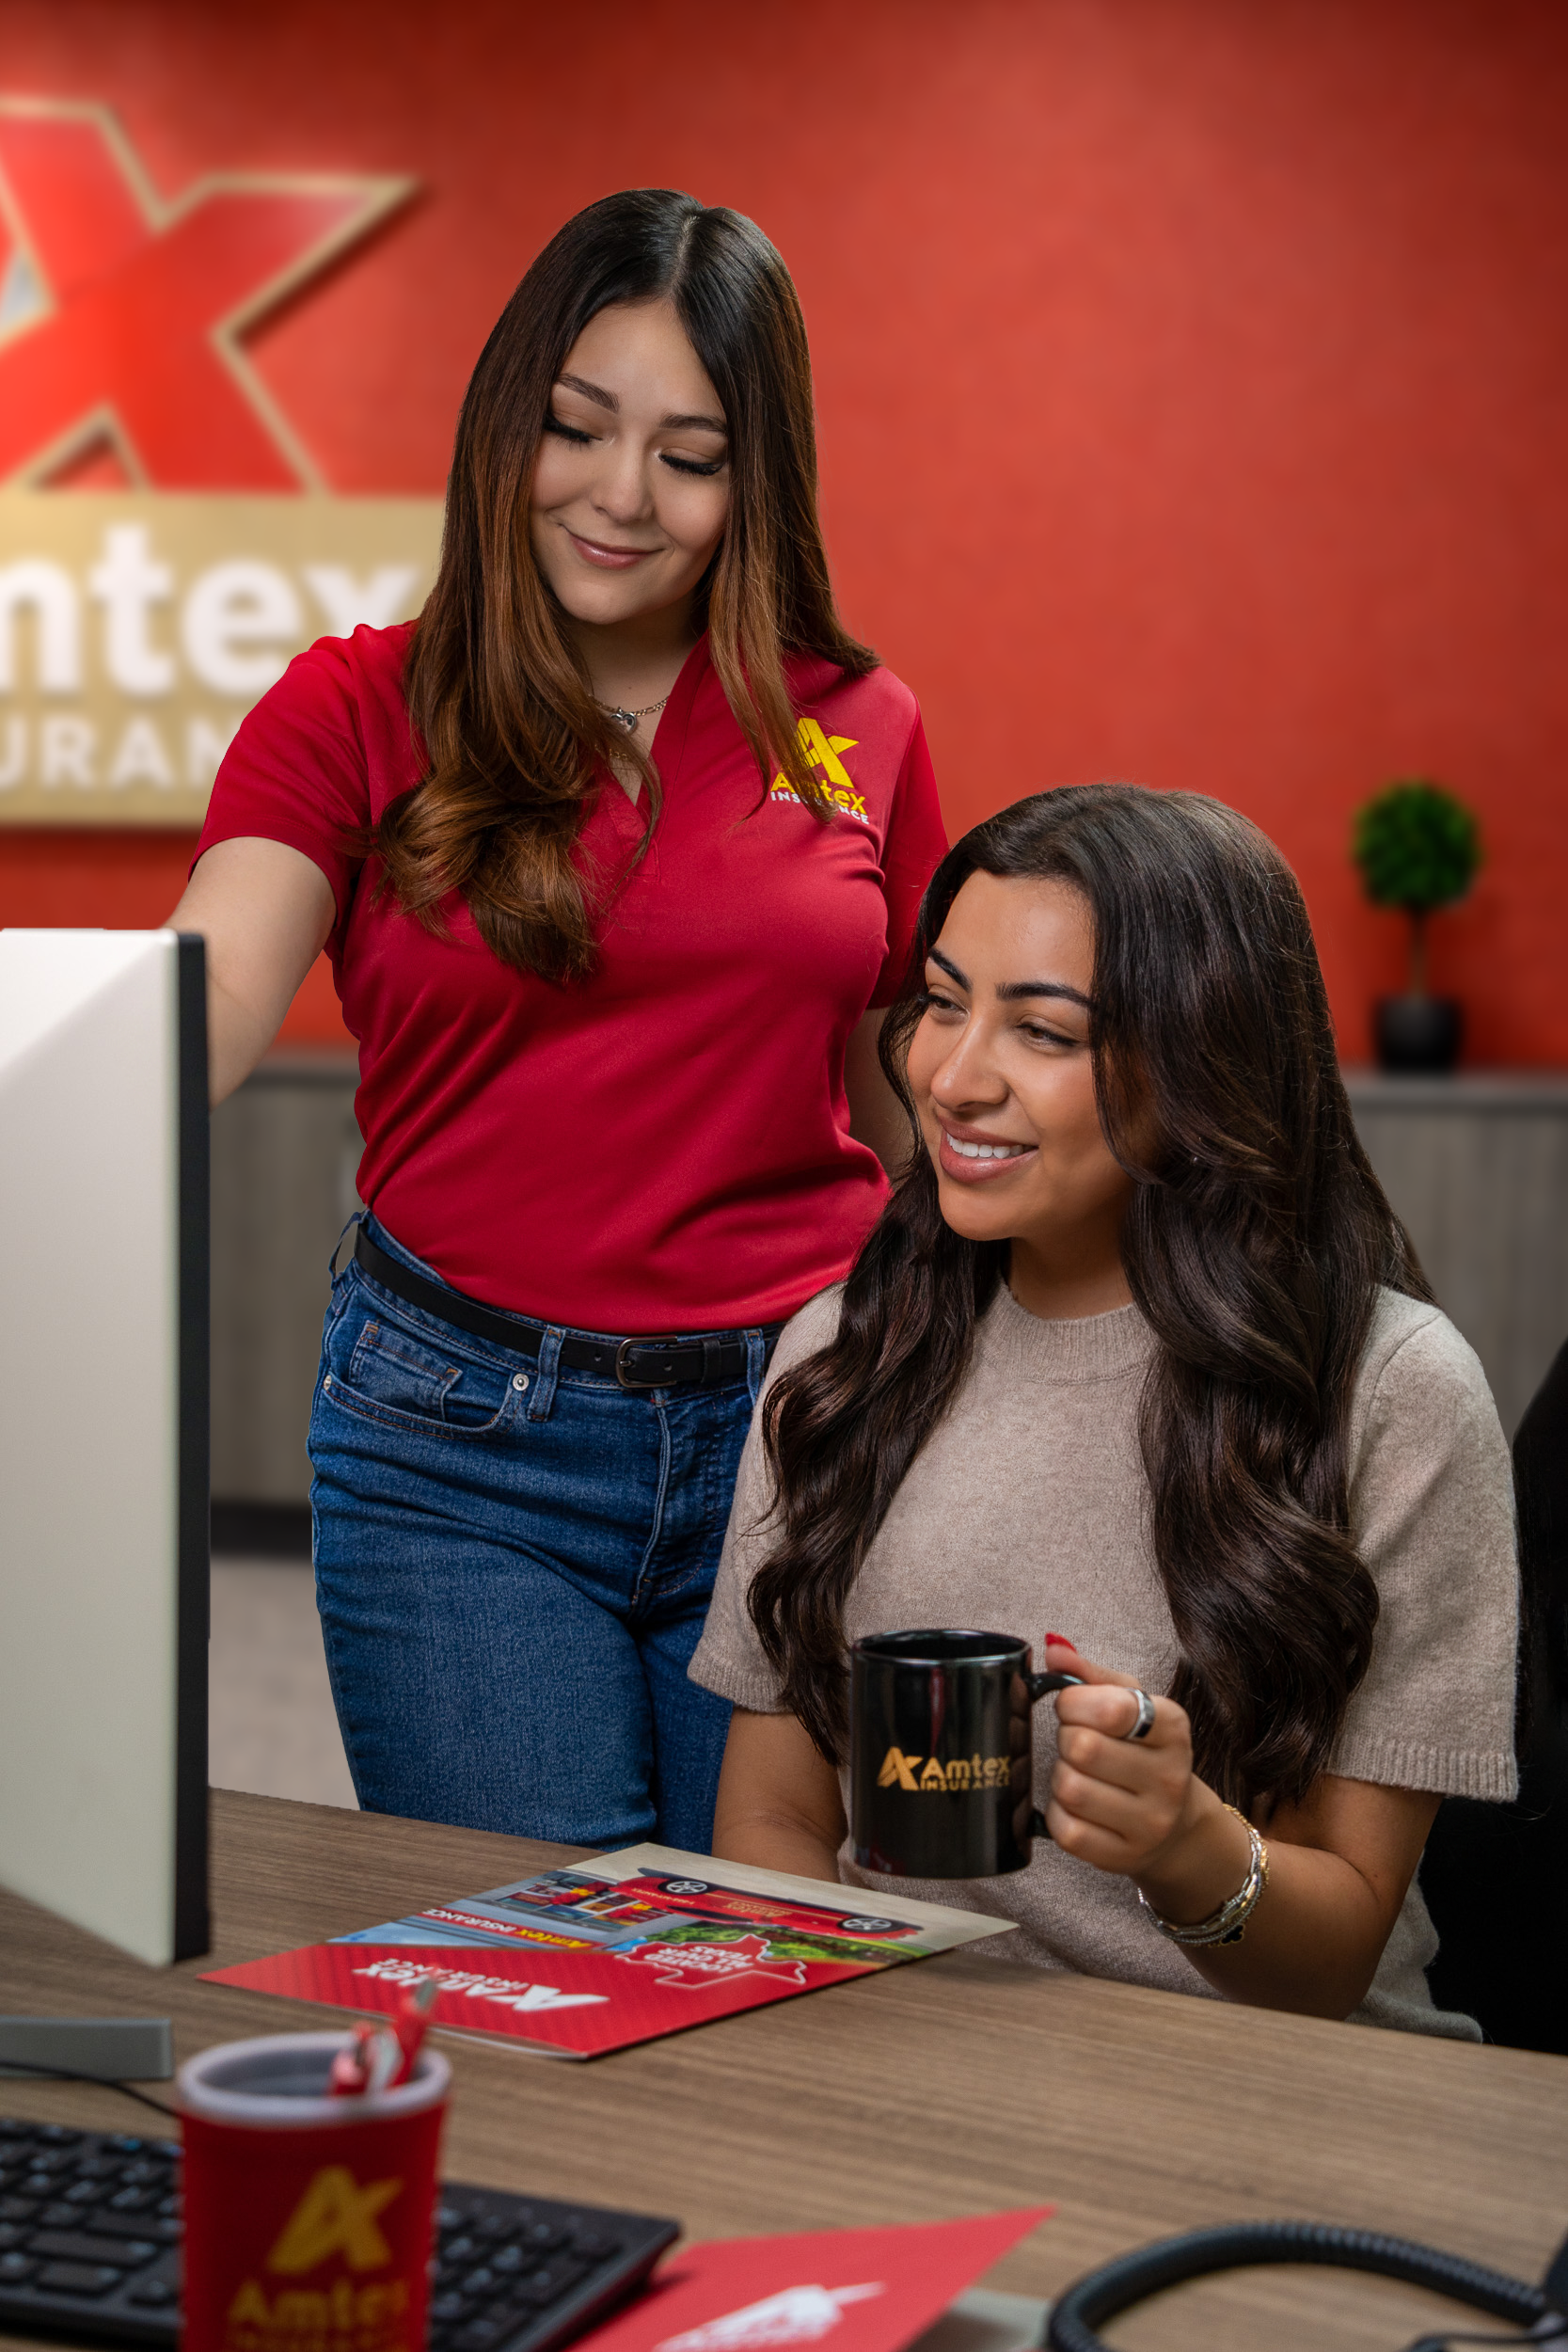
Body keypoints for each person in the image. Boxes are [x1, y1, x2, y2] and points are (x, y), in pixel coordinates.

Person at [167, 189, 947, 1849]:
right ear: (503, 425)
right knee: (539, 1957)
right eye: (575, 429)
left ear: (757, 477)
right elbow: (213, 989)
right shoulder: (356, 706)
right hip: (461, 1448)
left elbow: (905, 1094)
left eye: (689, 453)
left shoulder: (860, 722)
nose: (620, 495)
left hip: (798, 1427)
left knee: (760, 1954)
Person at [690, 784, 1520, 2034]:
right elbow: (771, 1820)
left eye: (1041, 1030)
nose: (952, 1078)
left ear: (1202, 1061)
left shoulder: (1393, 1390)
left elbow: (1336, 1962)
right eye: (942, 1003)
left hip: (1259, 2077)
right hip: (907, 2050)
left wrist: (1187, 1847)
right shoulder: (849, 1351)